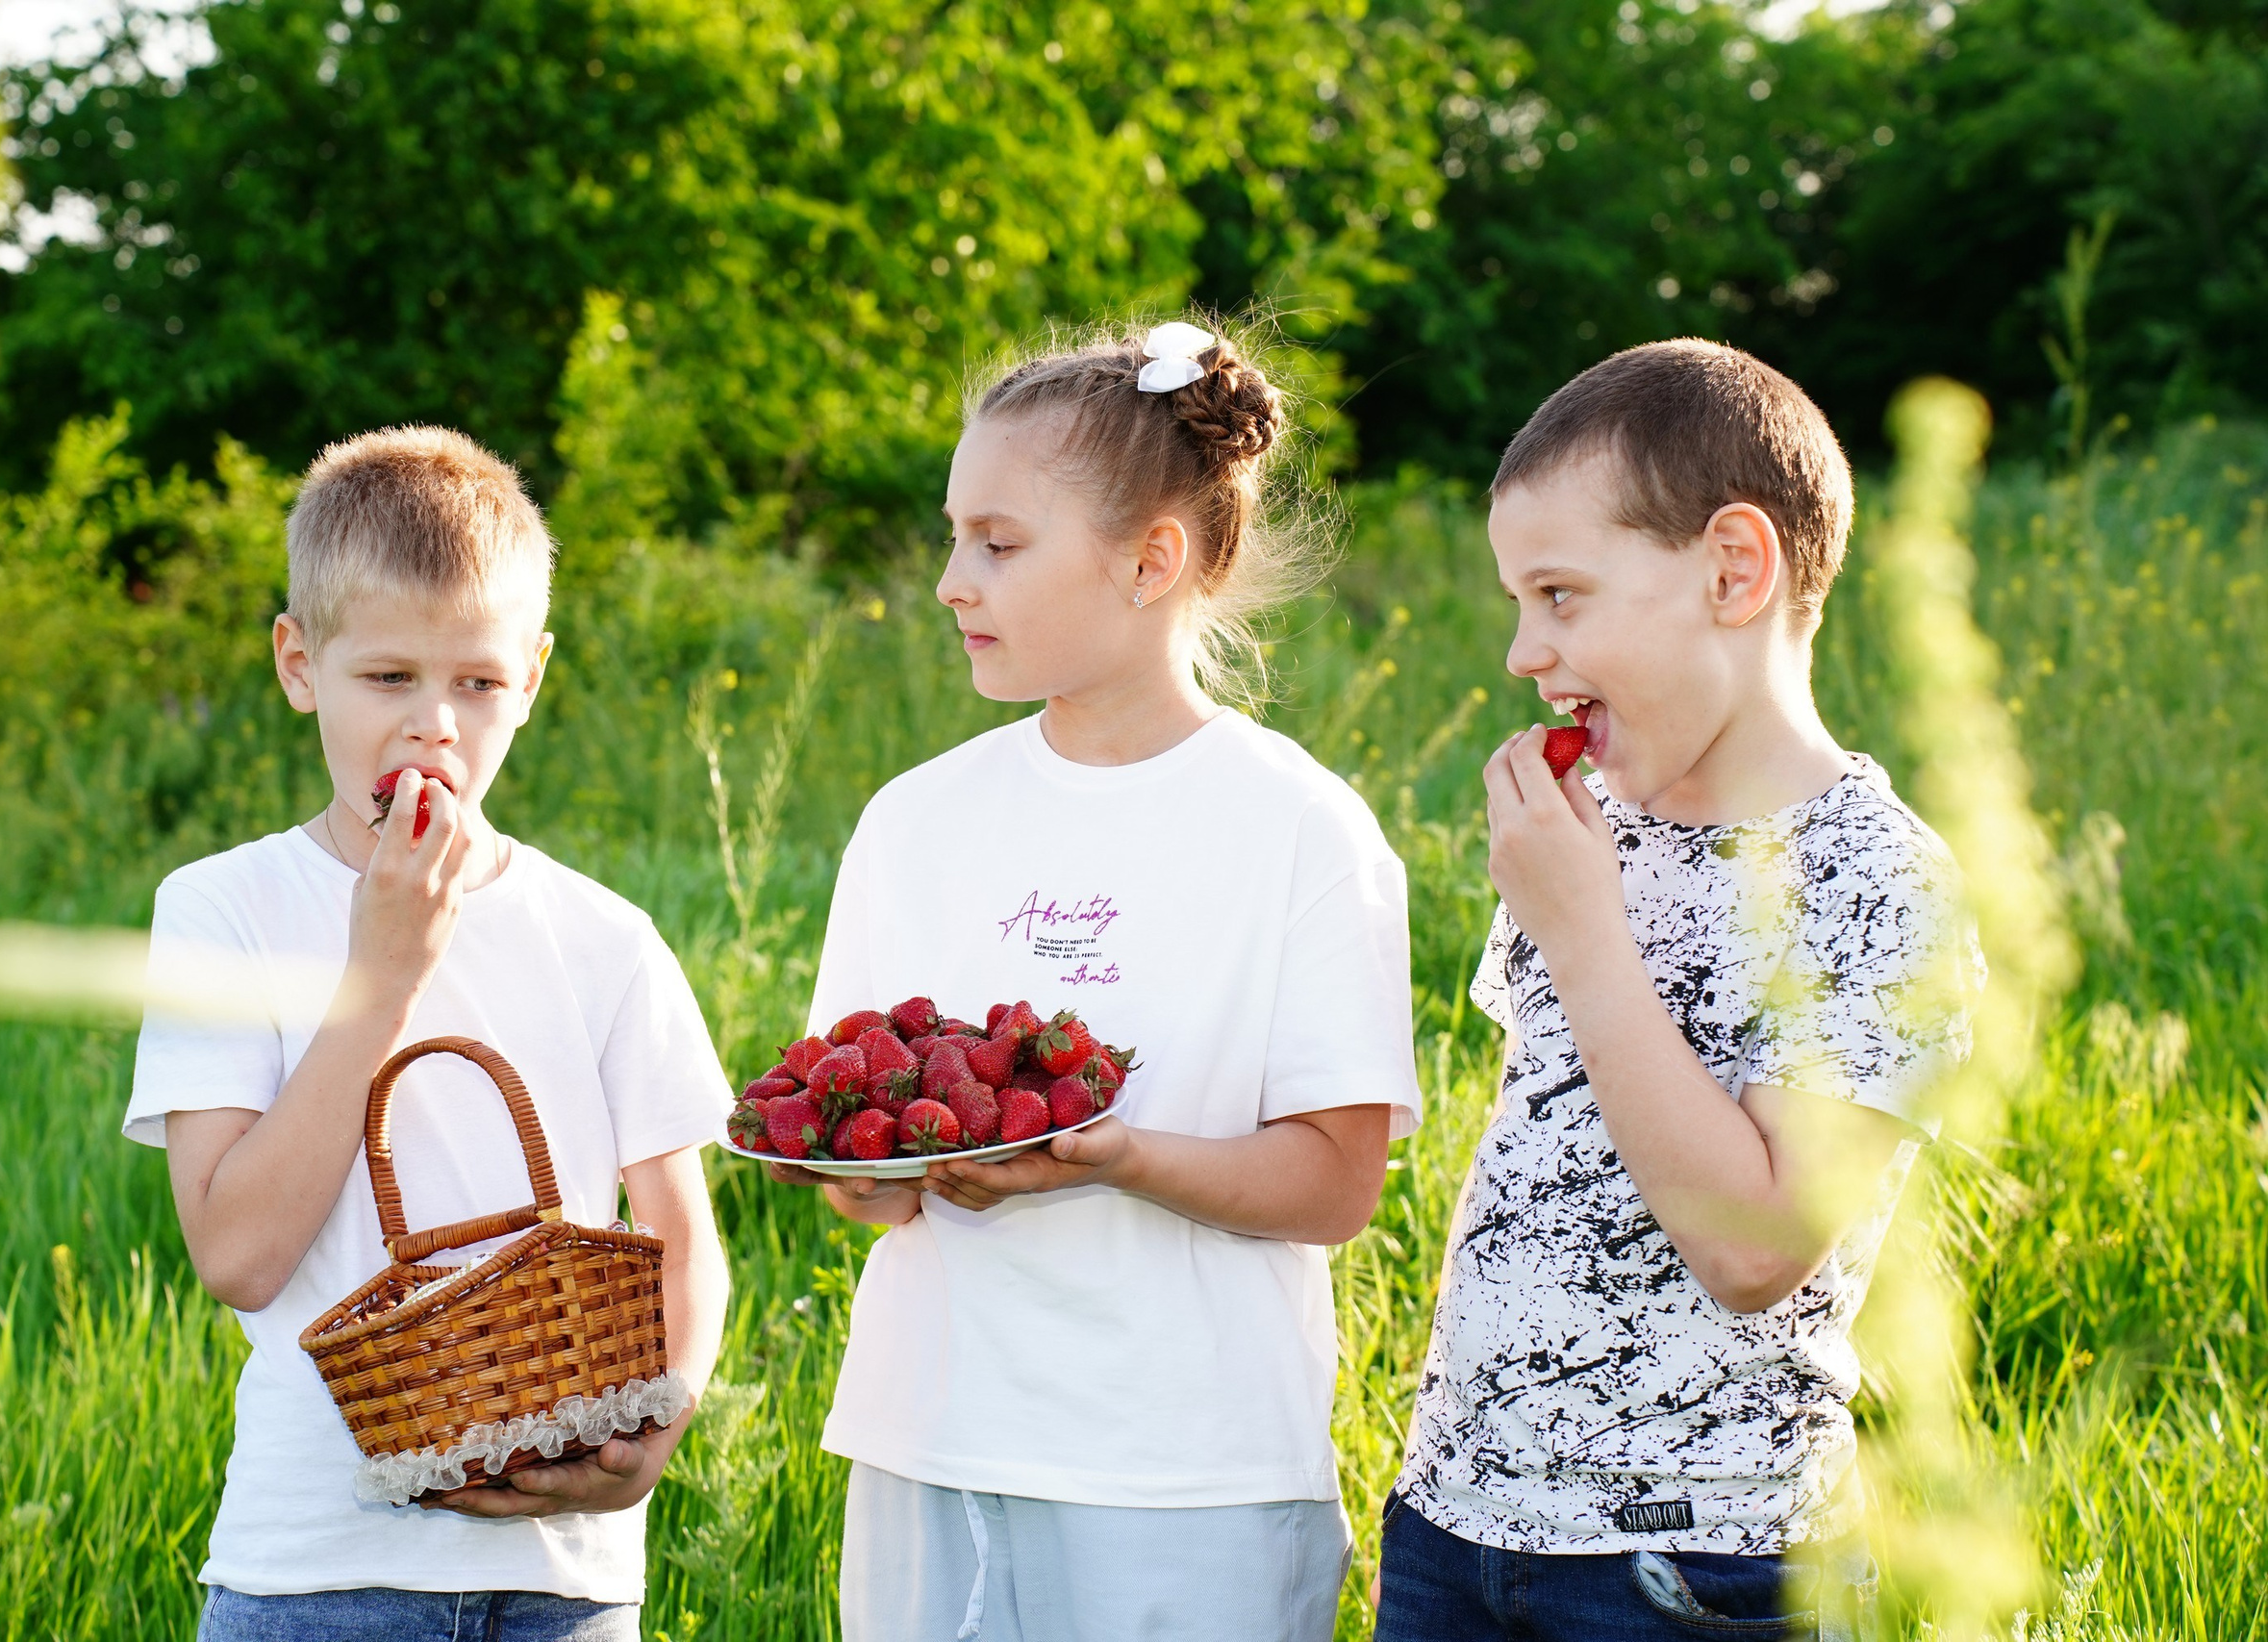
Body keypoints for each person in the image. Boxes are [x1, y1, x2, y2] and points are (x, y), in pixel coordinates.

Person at [767, 319, 1424, 1642]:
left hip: (1186, 1474)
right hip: (934, 1440)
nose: (953, 579)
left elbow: (1335, 1181)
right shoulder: (916, 819)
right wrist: (854, 1167)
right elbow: (865, 1159)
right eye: (953, 535)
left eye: (998, 543)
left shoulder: (1297, 825)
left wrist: (1115, 1153)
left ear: (1151, 559)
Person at [1376, 341, 1976, 1641]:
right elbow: (1546, 1163)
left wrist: (1588, 935)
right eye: (1517, 600)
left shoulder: (1874, 878)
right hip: (1455, 1517)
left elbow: (1755, 1244)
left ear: (1731, 570)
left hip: (1690, 1566)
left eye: (1561, 593)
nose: (1528, 649)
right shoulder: (1596, 832)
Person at [124, 426, 733, 1641]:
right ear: (300, 665)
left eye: (478, 683)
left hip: (563, 1572)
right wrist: (385, 971)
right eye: (388, 678)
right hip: (317, 1569)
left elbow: (678, 1237)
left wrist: (660, 1425)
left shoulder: (603, 935)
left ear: (535, 677)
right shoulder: (225, 907)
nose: (434, 728)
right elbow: (237, 1254)